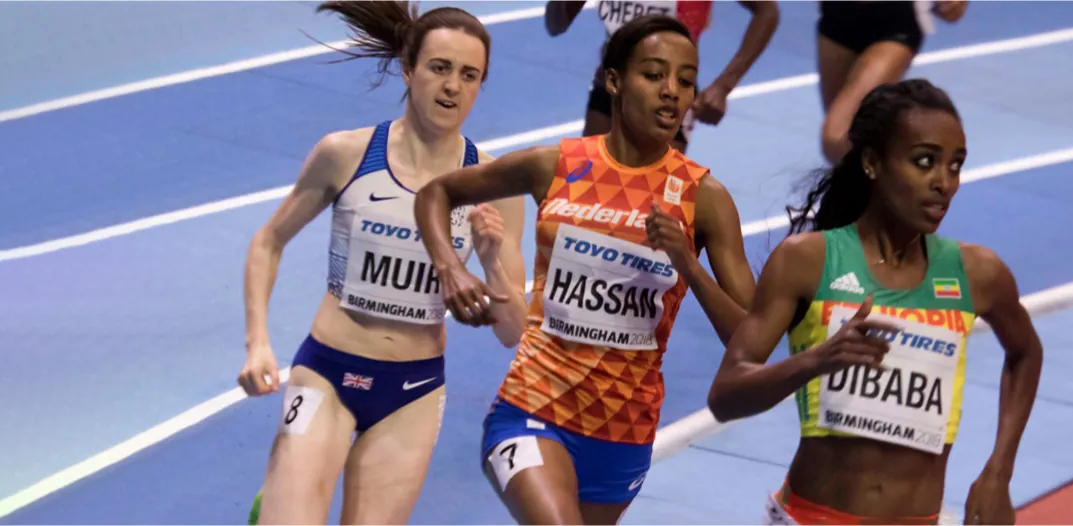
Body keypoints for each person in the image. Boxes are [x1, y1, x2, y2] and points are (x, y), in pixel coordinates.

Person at [413, 15, 757, 524]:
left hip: (623, 431)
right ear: (613, 81)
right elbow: (437, 192)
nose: (671, 92)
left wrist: (688, 263)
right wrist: (450, 267)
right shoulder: (555, 165)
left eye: (685, 81)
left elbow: (751, 339)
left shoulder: (704, 199)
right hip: (531, 407)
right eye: (654, 75)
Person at [236, 2, 529, 523]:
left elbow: (512, 332)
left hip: (412, 391)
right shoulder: (346, 154)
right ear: (408, 68)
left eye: (470, 75)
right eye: (440, 68)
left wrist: (491, 264)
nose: (453, 88)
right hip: (327, 370)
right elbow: (268, 241)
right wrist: (258, 342)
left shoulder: (494, 186)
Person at [706, 78, 1044, 525]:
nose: (944, 182)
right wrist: (814, 362)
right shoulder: (807, 261)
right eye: (924, 162)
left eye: (955, 165)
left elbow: (1025, 352)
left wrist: (998, 472)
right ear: (872, 162)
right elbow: (725, 396)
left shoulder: (977, 274)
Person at [543, 0, 780, 152]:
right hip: (613, 90)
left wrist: (723, 86)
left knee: (650, 209)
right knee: (590, 202)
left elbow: (767, 12)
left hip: (668, 95)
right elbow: (555, 25)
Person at [817, 1, 967, 163]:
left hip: (895, 18)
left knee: (837, 136)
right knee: (853, 144)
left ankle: (914, 174)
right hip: (836, 14)